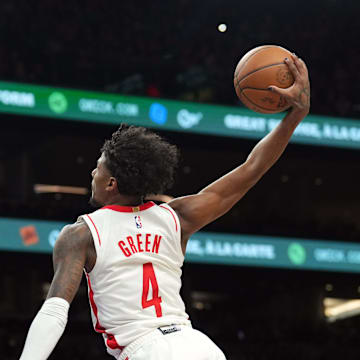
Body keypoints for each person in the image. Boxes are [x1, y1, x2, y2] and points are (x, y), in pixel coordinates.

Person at [20, 54, 310, 360]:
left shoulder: (81, 234)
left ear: (111, 184)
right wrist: (296, 115)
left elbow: (54, 313)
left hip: (146, 350)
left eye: (98, 168)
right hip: (199, 346)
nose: (93, 173)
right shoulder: (177, 217)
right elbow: (251, 168)